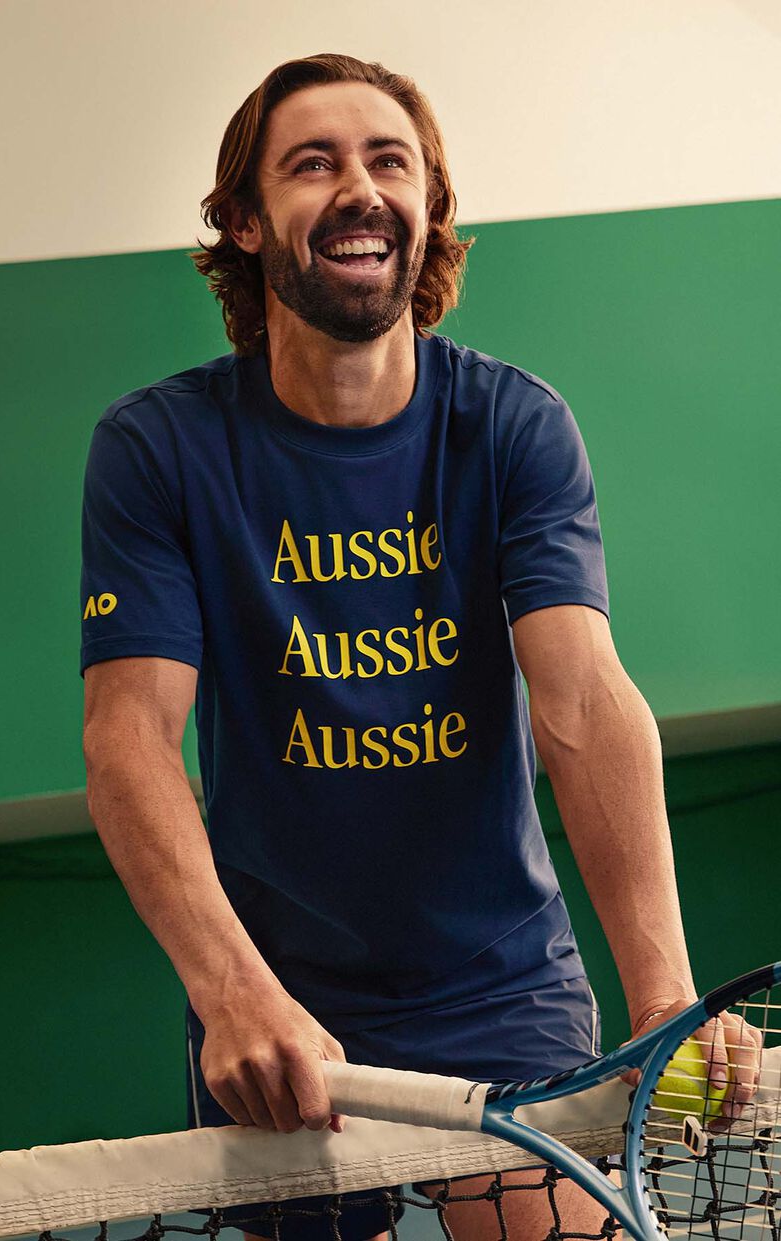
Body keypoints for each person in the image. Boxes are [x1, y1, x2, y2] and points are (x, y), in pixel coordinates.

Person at [80, 53, 704, 1241]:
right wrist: (231, 990)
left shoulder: (513, 425)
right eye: (313, 163)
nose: (360, 187)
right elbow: (130, 737)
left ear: (428, 212)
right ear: (249, 224)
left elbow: (579, 698)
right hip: (278, 998)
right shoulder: (157, 449)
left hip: (500, 981)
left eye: (390, 161)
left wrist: (663, 992)